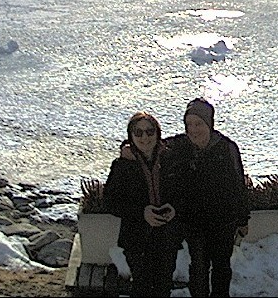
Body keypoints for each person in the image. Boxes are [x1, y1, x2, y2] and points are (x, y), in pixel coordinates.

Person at [169, 98, 250, 297]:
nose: (193, 130)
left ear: (209, 123)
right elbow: (149, 145)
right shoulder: (179, 146)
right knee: (198, 267)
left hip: (223, 222)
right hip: (193, 222)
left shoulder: (227, 148)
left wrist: (243, 219)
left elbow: (238, 185)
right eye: (189, 124)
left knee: (221, 267)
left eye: (198, 124)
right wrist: (127, 149)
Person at [103, 111, 182, 297]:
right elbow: (110, 202)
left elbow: (183, 192)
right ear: (131, 136)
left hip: (166, 235)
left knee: (163, 286)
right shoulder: (122, 165)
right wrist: (142, 212)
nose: (144, 138)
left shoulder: (170, 159)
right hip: (137, 237)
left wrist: (174, 208)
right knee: (142, 286)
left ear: (157, 133)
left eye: (149, 132)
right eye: (138, 133)